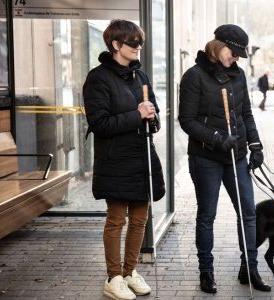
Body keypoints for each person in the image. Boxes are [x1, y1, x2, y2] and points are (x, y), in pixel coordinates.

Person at [177, 24, 270, 294]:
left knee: (249, 212)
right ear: (218, 46)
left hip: (237, 155)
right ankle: (206, 271)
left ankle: (249, 268)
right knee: (207, 214)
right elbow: (187, 120)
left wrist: (255, 144)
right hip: (206, 157)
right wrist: (217, 138)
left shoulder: (238, 76)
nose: (237, 58)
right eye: (234, 52)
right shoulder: (194, 76)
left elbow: (246, 114)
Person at [83, 19, 165, 300]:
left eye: (140, 41)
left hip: (141, 157)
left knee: (140, 220)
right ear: (116, 44)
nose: (138, 46)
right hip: (115, 160)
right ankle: (113, 277)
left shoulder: (140, 76)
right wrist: (137, 115)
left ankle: (130, 273)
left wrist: (153, 119)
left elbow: (153, 115)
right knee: (116, 219)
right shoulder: (98, 78)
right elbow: (100, 124)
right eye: (133, 42)